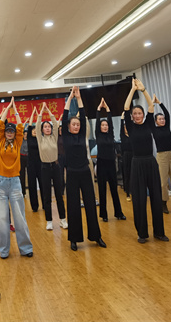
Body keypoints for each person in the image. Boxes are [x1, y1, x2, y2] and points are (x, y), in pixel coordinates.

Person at [123, 79, 168, 244]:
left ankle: (159, 232)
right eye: (134, 114)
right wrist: (132, 90)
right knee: (139, 199)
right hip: (137, 164)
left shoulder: (149, 124)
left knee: (156, 198)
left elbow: (150, 106)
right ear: (132, 116)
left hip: (150, 163)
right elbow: (126, 107)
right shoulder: (130, 126)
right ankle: (142, 233)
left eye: (139, 113)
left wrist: (143, 90)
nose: (137, 115)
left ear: (143, 115)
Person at [62, 88, 106, 251]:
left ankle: (96, 236)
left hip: (85, 172)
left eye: (78, 124)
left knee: (90, 204)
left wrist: (79, 98)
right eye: (73, 124)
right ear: (68, 126)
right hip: (72, 174)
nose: (76, 126)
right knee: (73, 206)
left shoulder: (82, 135)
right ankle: (74, 239)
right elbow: (65, 116)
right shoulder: (66, 136)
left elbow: (82, 113)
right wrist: (70, 98)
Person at [0, 97, 33, 259]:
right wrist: (7, 108)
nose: (10, 133)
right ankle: (4, 250)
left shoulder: (17, 142)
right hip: (0, 183)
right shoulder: (0, 140)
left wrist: (15, 109)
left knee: (19, 218)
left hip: (15, 183)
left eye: (12, 131)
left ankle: (26, 248)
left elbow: (20, 126)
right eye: (8, 131)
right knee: (2, 219)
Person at [32, 102, 67, 231]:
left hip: (56, 167)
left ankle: (63, 220)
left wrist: (49, 111)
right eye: (45, 127)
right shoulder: (40, 139)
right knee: (47, 196)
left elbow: (56, 124)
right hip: (45, 168)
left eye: (48, 127)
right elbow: (37, 124)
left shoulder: (54, 137)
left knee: (59, 195)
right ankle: (49, 221)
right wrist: (42, 111)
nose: (47, 128)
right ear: (42, 130)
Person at [95, 98, 125, 223]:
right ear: (100, 127)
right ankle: (104, 215)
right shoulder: (98, 134)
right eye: (103, 125)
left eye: (106, 125)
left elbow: (111, 123)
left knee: (114, 189)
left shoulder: (110, 134)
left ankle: (119, 213)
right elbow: (97, 122)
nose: (105, 126)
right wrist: (98, 109)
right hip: (101, 164)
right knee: (102, 190)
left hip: (111, 164)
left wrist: (108, 110)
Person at [26, 107, 44, 212]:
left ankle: (45, 205)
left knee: (43, 185)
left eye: (35, 130)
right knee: (32, 186)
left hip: (40, 164)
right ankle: (34, 206)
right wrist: (33, 113)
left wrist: (39, 116)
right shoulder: (29, 138)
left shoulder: (40, 138)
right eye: (32, 131)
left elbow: (39, 124)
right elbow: (29, 125)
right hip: (31, 165)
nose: (34, 132)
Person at [120, 113, 132, 202]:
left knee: (134, 174)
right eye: (125, 127)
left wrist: (130, 118)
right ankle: (127, 193)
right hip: (126, 156)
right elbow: (121, 128)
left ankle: (134, 191)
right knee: (127, 174)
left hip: (134, 155)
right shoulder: (123, 136)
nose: (126, 128)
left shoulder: (132, 135)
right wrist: (122, 118)